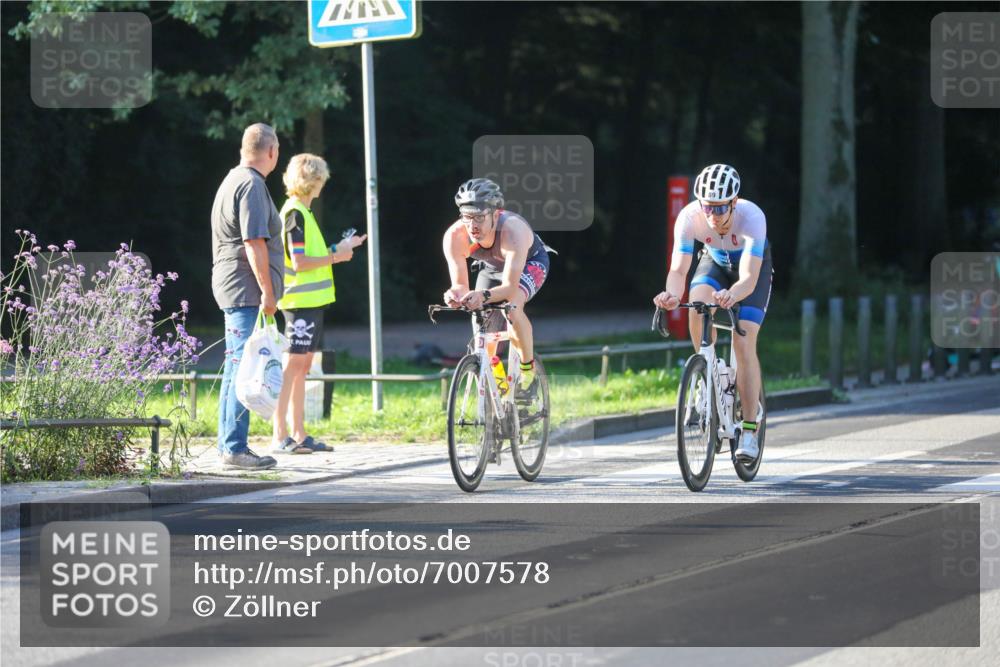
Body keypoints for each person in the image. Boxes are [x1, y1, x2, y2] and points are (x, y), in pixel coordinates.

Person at [652, 163, 774, 461]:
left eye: (720, 209)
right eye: (708, 207)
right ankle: (712, 370)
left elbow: (747, 277)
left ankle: (748, 428)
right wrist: (670, 295)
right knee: (696, 305)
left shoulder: (752, 217)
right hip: (715, 263)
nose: (713, 216)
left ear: (734, 203)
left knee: (743, 341)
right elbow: (679, 269)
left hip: (748, 273)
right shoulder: (689, 217)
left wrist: (732, 295)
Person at [271, 153, 366, 454]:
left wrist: (340, 247)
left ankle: (299, 433)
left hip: (310, 302)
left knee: (302, 366)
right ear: (314, 181)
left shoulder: (302, 213)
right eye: (321, 179)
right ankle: (279, 435)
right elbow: (299, 262)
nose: (323, 184)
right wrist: (336, 255)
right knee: (293, 366)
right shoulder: (295, 214)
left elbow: (308, 254)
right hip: (299, 302)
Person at [210, 123, 284, 470]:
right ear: (272, 151)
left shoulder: (232, 179)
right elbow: (255, 242)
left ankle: (230, 444)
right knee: (244, 367)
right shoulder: (252, 185)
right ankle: (235, 449)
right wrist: (268, 291)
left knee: (236, 367)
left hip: (231, 282)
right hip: (244, 287)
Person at [441, 178, 552, 400]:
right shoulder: (454, 236)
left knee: (511, 308)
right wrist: (455, 294)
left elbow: (510, 288)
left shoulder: (513, 230)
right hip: (491, 269)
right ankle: (499, 385)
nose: (472, 225)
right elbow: (461, 285)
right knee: (481, 325)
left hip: (529, 265)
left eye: (479, 217)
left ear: (495, 214)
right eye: (467, 217)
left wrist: (484, 295)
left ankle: (527, 372)